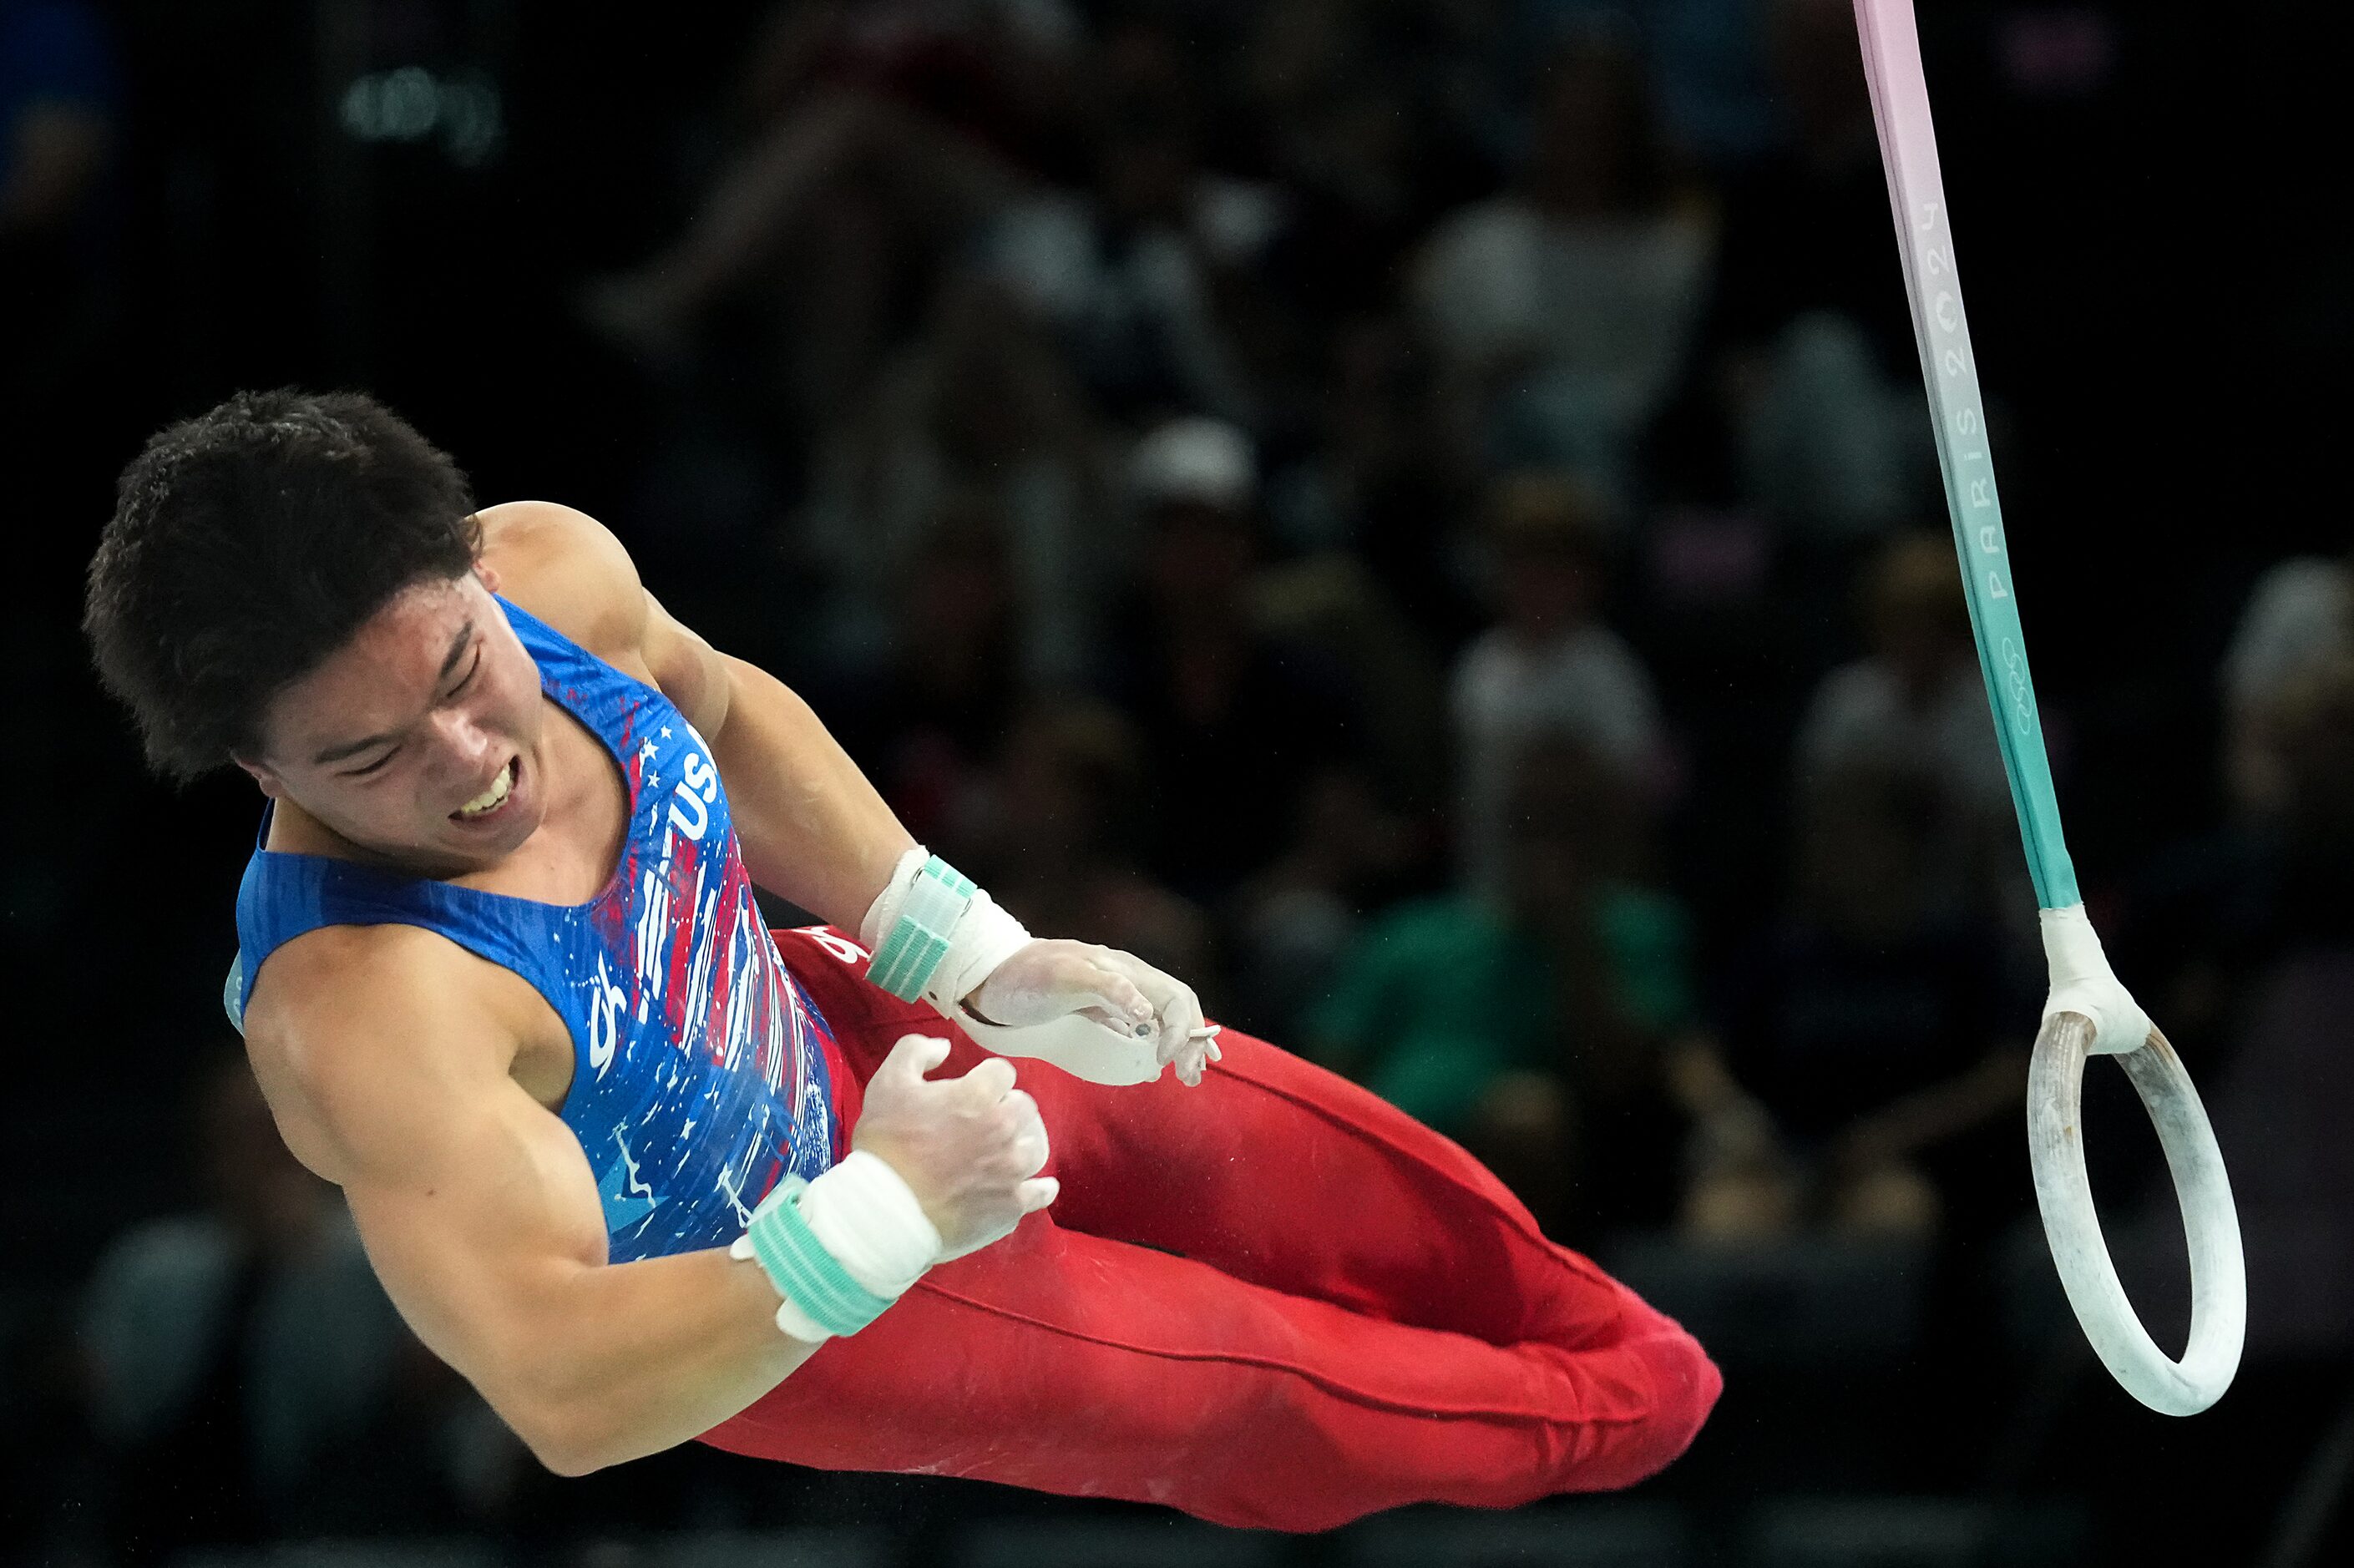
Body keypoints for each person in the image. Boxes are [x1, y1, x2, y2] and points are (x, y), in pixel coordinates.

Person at [84, 390, 1718, 1533]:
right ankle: (1651, 1424)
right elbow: (565, 1394)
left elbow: (719, 710)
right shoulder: (370, 1012)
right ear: (261, 772)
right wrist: (877, 1221)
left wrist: (974, 954)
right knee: (1263, 1387)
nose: (470, 757)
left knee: (1308, 1167)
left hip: (861, 1038)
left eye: (462, 666)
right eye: (374, 756)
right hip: (811, 1302)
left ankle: (1635, 1350)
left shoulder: (554, 573)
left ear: (468, 567)